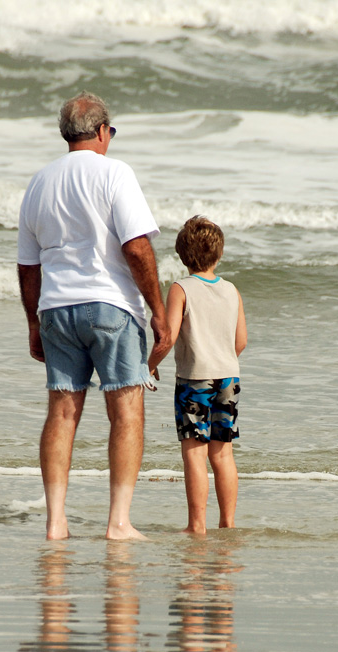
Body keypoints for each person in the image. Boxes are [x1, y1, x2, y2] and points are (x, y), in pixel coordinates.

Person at [17, 92, 171, 540]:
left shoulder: (39, 182)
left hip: (56, 309)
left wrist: (33, 323)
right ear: (103, 132)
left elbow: (29, 266)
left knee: (62, 412)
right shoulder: (114, 173)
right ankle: (118, 522)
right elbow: (137, 247)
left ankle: (56, 522)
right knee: (126, 409)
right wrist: (158, 313)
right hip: (110, 306)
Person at [149, 216, 247, 534]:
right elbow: (240, 341)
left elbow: (170, 336)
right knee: (223, 453)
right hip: (229, 378)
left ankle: (197, 525)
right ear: (218, 255)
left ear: (182, 256)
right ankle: (228, 523)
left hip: (195, 380)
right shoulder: (232, 290)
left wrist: (149, 364)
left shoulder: (181, 288)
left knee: (195, 452)